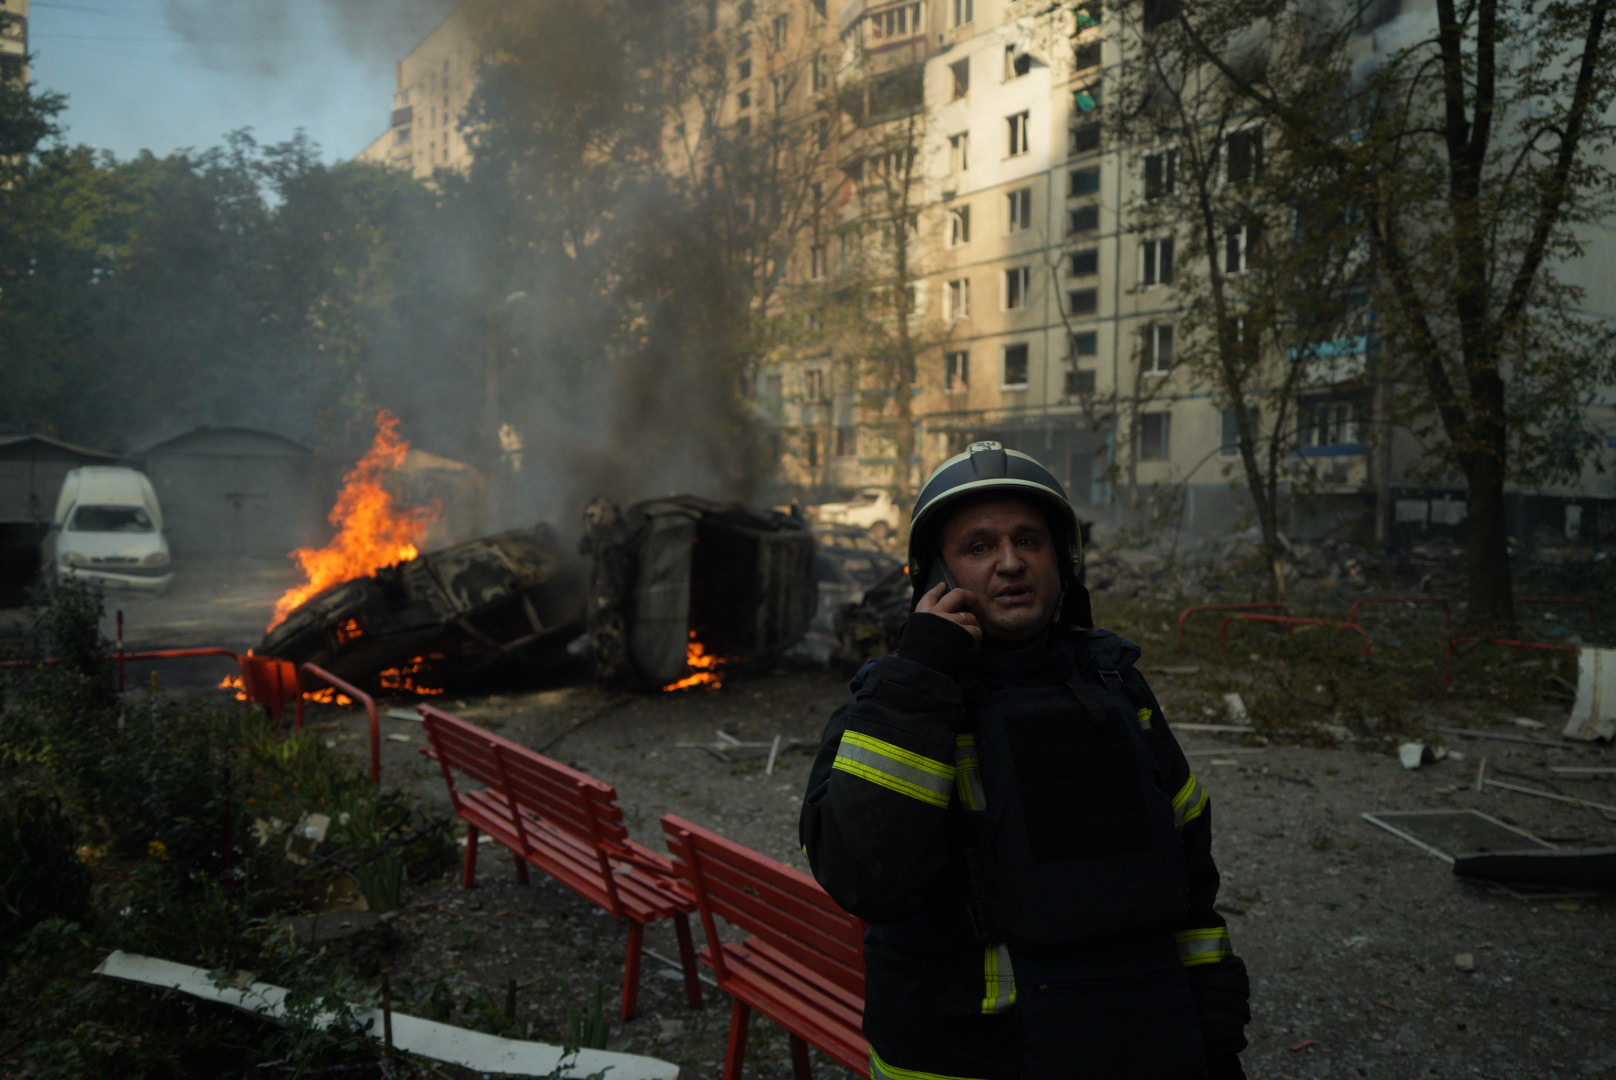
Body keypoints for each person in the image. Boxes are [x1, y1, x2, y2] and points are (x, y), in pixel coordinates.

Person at [800, 441, 1251, 1080]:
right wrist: (921, 679)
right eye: (979, 547)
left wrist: (1210, 1004)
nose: (1010, 563)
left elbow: (1187, 866)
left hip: (1144, 1042)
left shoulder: (1117, 687)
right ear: (937, 577)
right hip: (971, 1059)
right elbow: (869, 878)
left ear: (1061, 560)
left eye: (1029, 541)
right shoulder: (893, 703)